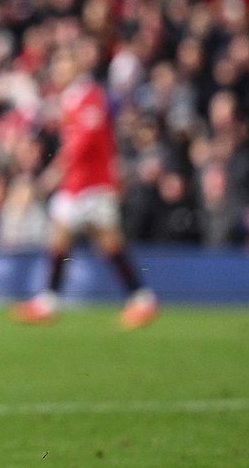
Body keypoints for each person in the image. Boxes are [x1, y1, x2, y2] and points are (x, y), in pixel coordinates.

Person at [11, 43, 158, 329]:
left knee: (108, 241)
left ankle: (141, 299)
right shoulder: (69, 98)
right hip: (77, 184)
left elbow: (82, 143)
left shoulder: (90, 95)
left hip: (93, 183)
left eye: (65, 66)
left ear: (77, 69)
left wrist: (50, 176)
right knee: (62, 236)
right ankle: (50, 301)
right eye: (57, 66)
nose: (59, 71)